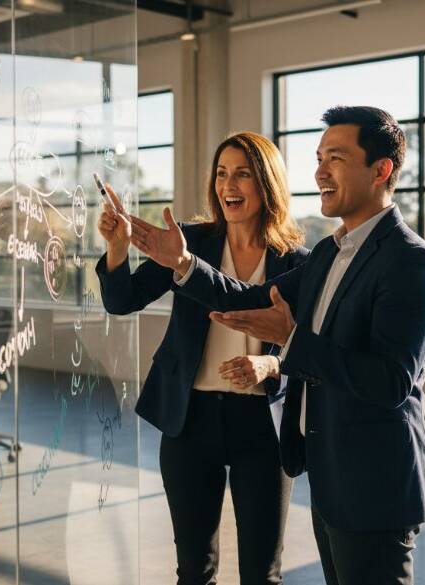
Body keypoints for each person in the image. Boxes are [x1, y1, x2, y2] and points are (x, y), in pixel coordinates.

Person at [129, 106, 425, 585]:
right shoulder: (331, 253)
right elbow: (250, 298)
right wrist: (184, 264)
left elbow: (390, 382)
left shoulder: (409, 261)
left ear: (381, 169)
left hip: (374, 486)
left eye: (336, 158)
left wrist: (288, 343)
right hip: (332, 478)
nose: (320, 172)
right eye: (319, 159)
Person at [95, 131, 309, 585]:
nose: (228, 185)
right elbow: (122, 301)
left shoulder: (296, 262)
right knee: (194, 570)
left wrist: (271, 365)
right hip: (190, 419)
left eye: (243, 174)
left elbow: (305, 344)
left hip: (262, 426)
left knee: (263, 574)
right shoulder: (188, 241)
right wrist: (118, 248)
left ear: (267, 183)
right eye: (221, 173)